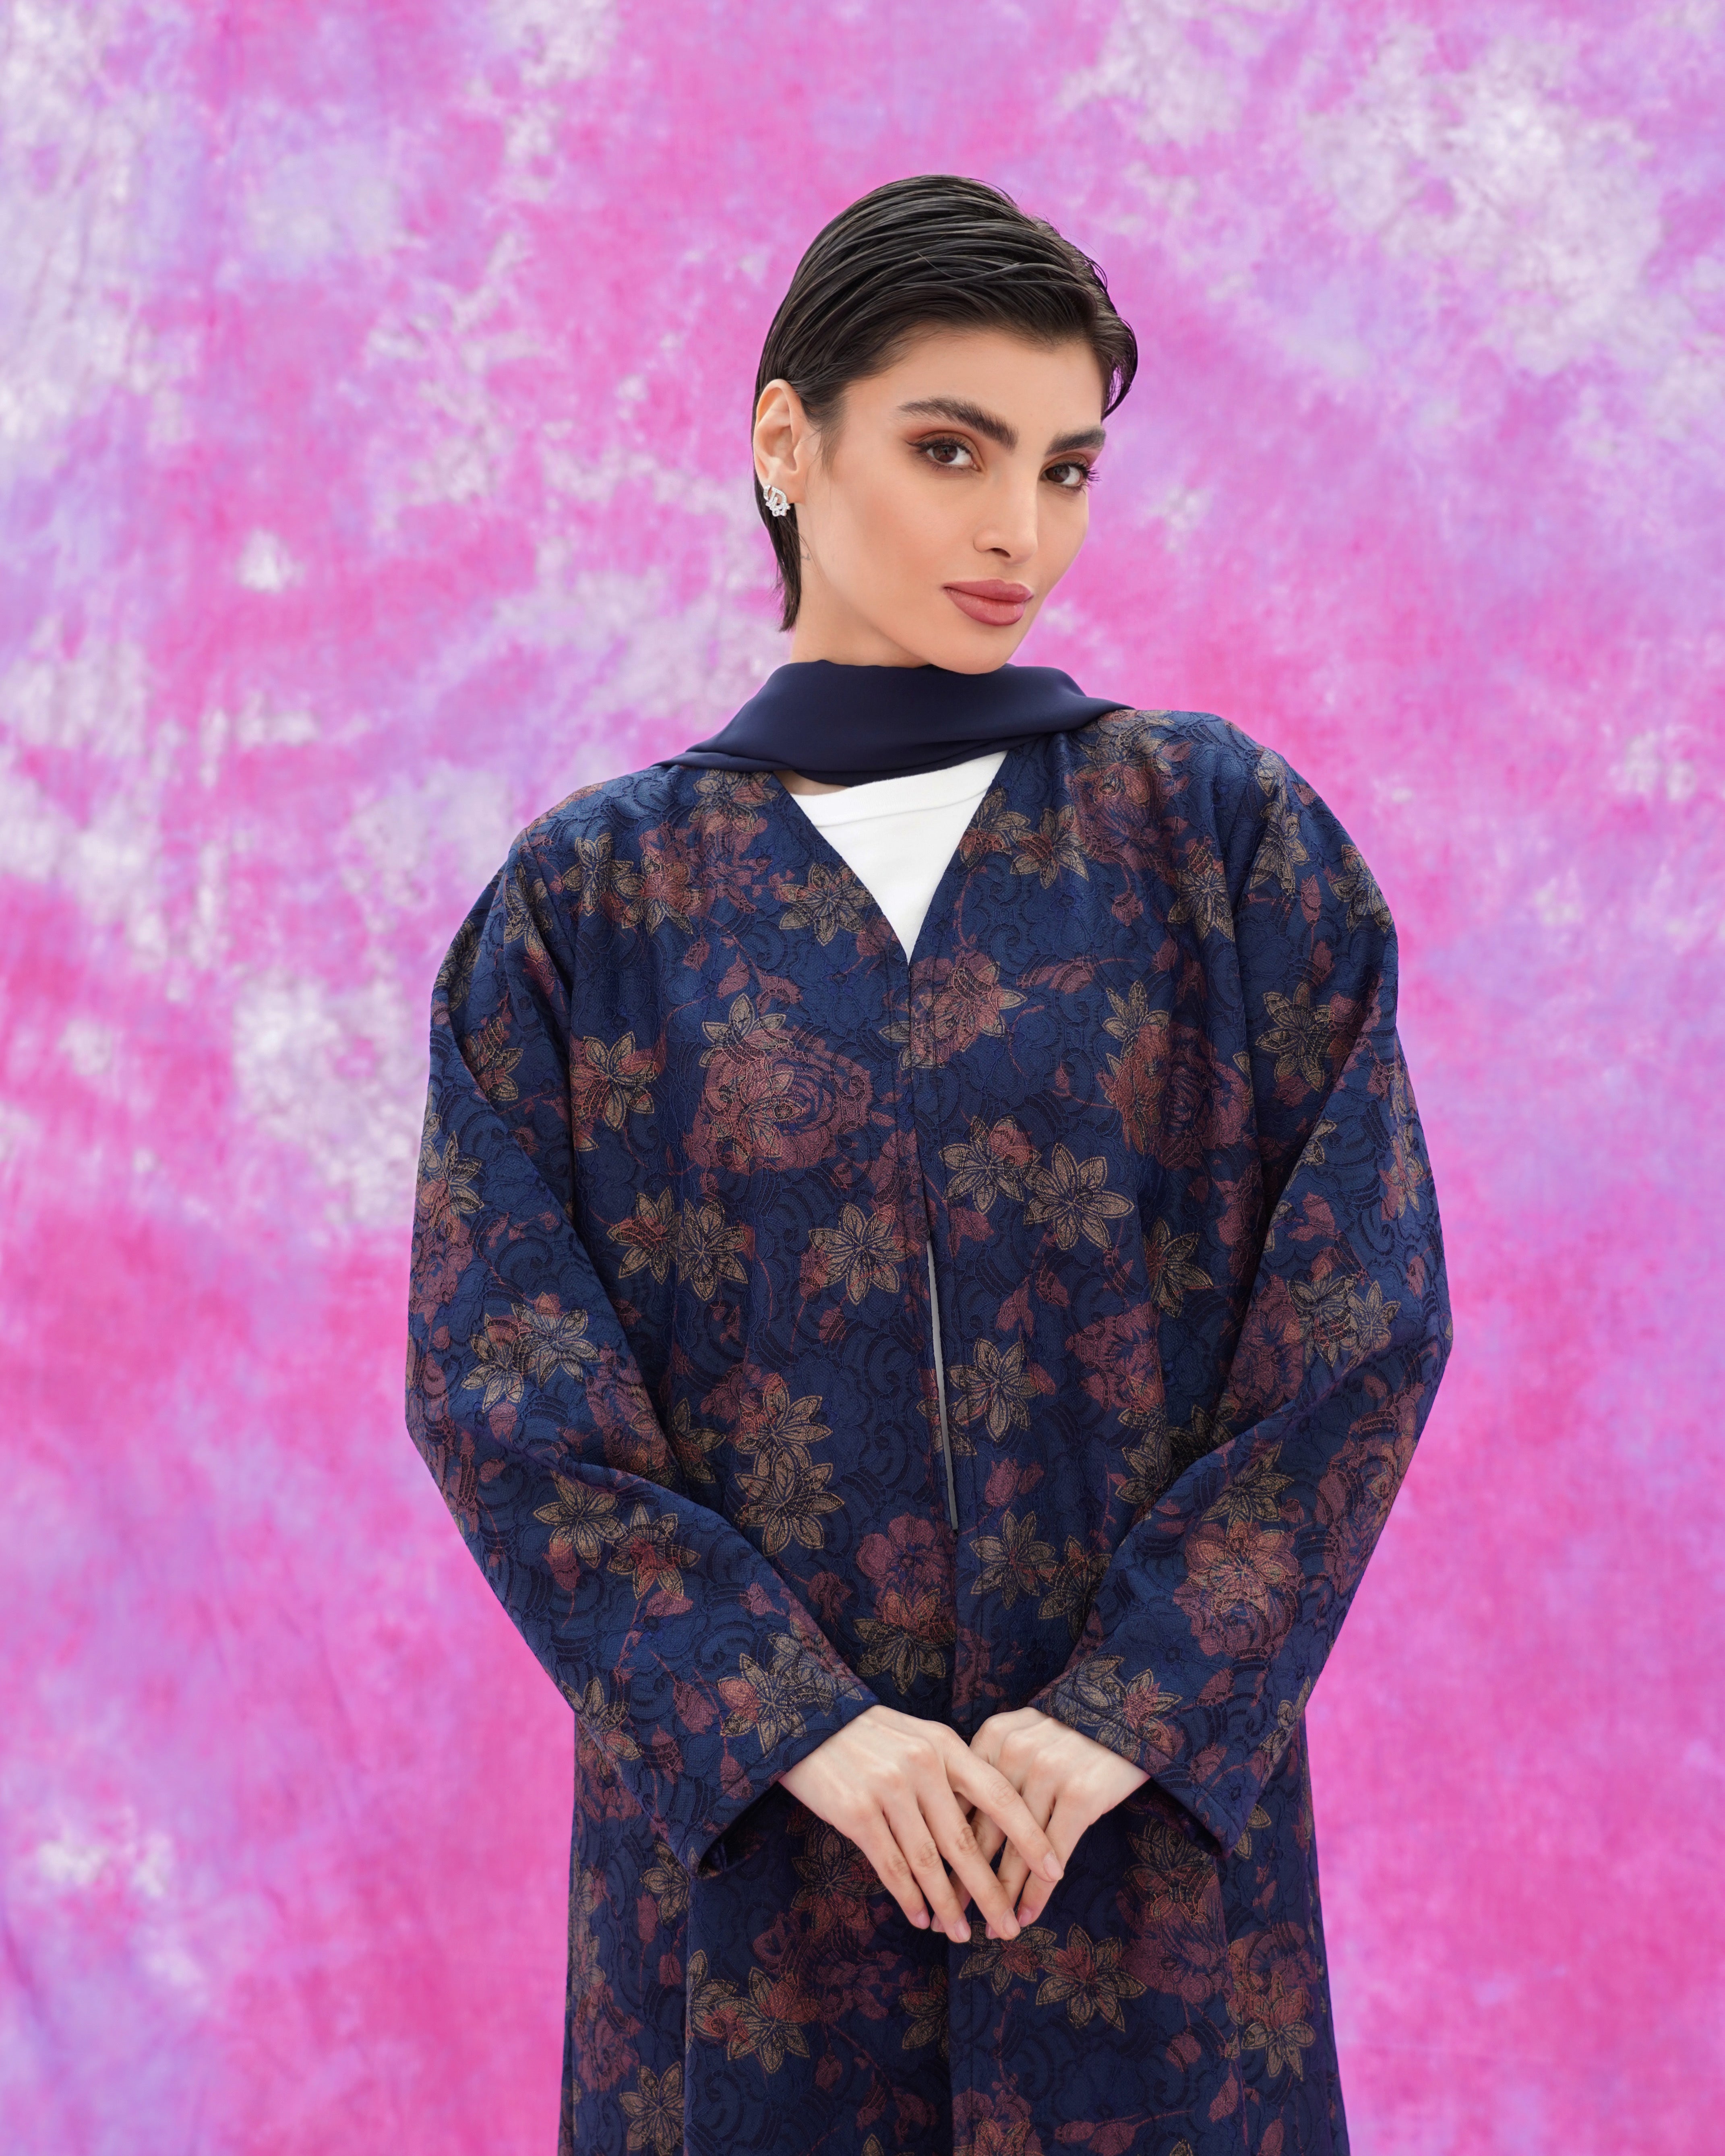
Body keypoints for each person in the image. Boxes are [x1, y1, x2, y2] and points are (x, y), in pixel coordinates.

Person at [406, 174, 1450, 2156]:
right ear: (785, 443)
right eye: (952, 449)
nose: (1016, 532)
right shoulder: (587, 911)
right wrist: (793, 1724)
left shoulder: (1221, 844)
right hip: (753, 1909)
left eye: (1065, 469)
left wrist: (1128, 1709)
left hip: (1138, 1881)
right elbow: (502, 1386)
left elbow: (1362, 1324)